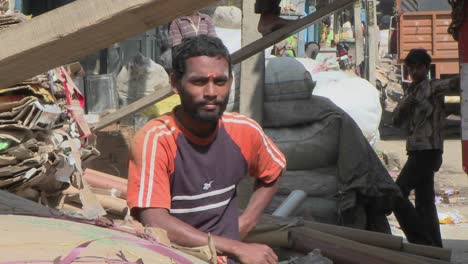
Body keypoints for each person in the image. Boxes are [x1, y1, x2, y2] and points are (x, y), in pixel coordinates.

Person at [127, 35, 286, 264]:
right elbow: (156, 221)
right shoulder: (157, 139)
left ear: (230, 81)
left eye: (220, 82)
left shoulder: (243, 130)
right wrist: (236, 247)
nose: (211, 92)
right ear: (174, 83)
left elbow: (274, 170)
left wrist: (247, 222)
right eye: (199, 82)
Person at [392, 49, 459, 247]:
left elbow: (456, 81)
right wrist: (406, 103)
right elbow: (396, 121)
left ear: (426, 68)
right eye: (410, 67)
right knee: (424, 202)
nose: (414, 71)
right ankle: (434, 247)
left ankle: (421, 241)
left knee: (397, 193)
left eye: (418, 67)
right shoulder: (410, 92)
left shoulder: (434, 87)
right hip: (416, 150)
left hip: (428, 151)